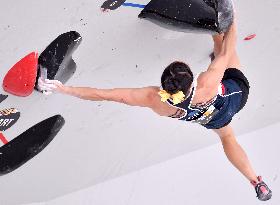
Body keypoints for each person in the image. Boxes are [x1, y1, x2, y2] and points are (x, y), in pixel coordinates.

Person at [38, 21, 272, 201]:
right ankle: (213, 25)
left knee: (227, 136)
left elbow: (104, 94)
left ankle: (254, 181)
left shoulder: (154, 99)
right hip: (235, 97)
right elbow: (229, 45)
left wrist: (65, 89)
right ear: (192, 81)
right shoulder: (207, 81)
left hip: (210, 120)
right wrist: (227, 15)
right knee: (222, 48)